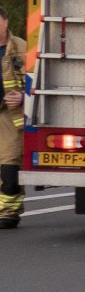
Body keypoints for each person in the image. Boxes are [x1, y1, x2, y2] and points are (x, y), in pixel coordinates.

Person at [0, 12, 25, 229]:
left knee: (9, 163)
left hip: (10, 114)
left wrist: (23, 96)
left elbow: (40, 80)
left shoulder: (22, 48)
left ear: (6, 21)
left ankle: (9, 211)